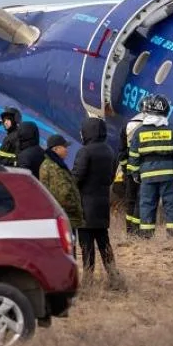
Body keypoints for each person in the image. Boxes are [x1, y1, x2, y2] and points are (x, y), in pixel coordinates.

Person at [126, 94, 173, 239]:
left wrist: (135, 174)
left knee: (147, 205)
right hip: (170, 173)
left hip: (147, 174)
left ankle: (146, 236)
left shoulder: (139, 132)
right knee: (171, 204)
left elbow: (134, 156)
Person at [71, 117, 125, 288]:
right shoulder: (109, 151)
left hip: (86, 205)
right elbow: (110, 178)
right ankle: (114, 276)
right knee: (104, 242)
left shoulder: (85, 152)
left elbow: (77, 176)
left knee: (86, 245)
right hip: (102, 205)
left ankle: (88, 279)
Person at [38, 134, 83, 256]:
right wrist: (74, 207)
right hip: (65, 216)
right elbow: (63, 193)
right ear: (55, 149)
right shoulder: (53, 166)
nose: (67, 150)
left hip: (64, 216)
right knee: (69, 252)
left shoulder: (54, 164)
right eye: (64, 147)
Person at [117, 105, 148, 236]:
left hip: (130, 169)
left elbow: (122, 152)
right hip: (145, 169)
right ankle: (138, 230)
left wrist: (124, 169)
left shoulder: (128, 125)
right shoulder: (152, 126)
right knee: (142, 200)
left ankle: (129, 230)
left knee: (130, 200)